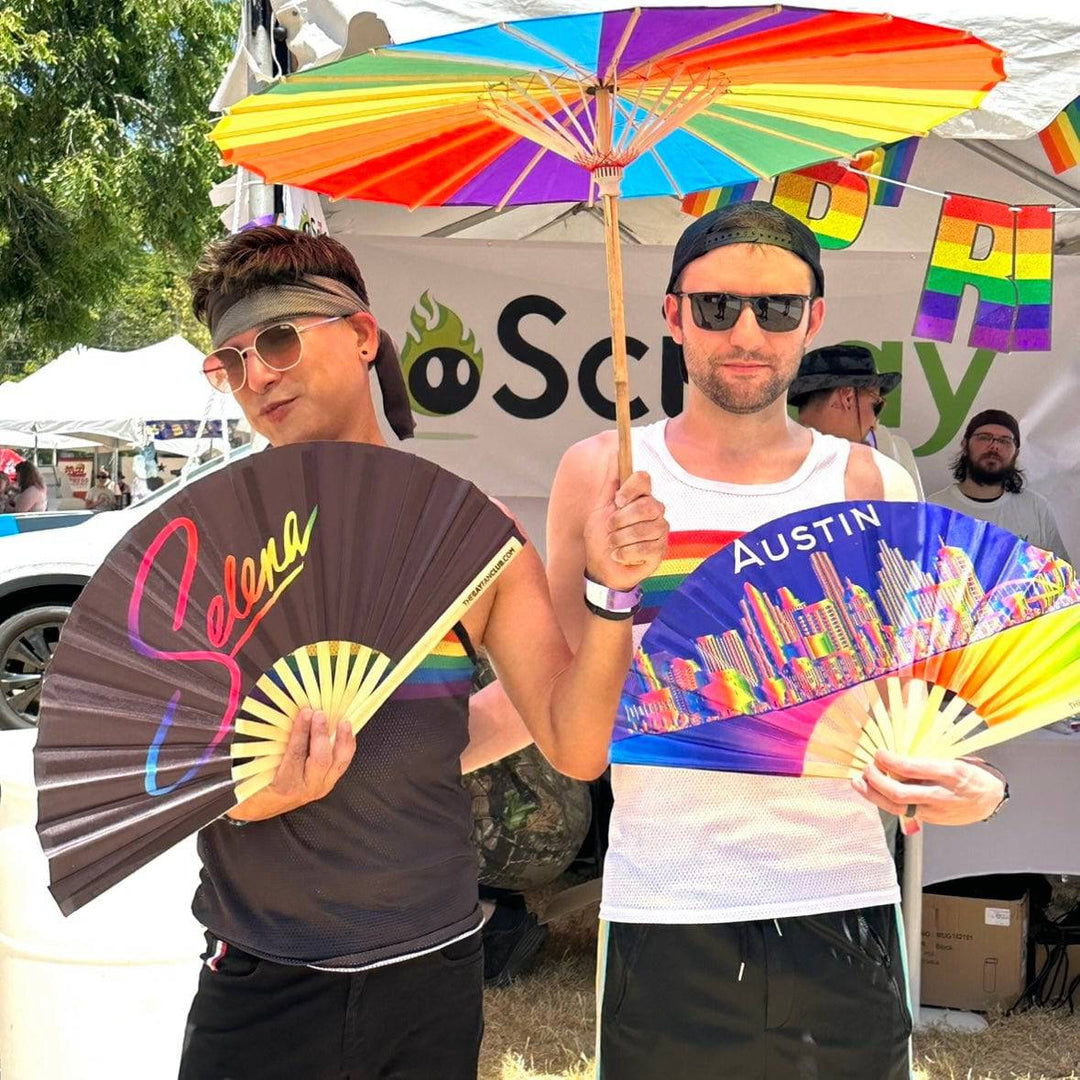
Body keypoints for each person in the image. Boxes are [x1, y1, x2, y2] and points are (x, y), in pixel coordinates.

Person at [177, 225, 667, 1080]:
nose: (257, 378)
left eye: (279, 341)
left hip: (429, 980)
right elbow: (160, 770)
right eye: (231, 362)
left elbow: (571, 741)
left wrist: (610, 592)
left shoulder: (467, 533)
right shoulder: (213, 541)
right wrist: (248, 798)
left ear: (362, 335)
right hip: (258, 976)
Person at [545, 202, 1009, 1079]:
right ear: (674, 315)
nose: (747, 332)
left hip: (841, 901)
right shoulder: (599, 474)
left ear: (814, 322)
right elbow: (576, 746)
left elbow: (921, 710)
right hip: (663, 912)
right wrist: (614, 589)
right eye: (718, 307)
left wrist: (979, 787)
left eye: (778, 309)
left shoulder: (871, 481)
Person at [929, 408, 1070, 562]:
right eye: (984, 437)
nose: (994, 446)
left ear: (1015, 453)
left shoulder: (1037, 508)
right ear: (965, 444)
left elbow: (1062, 578)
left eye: (1004, 441)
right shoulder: (933, 508)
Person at [790, 342, 924, 497]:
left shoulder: (769, 468)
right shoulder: (881, 475)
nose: (874, 424)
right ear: (847, 397)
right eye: (876, 405)